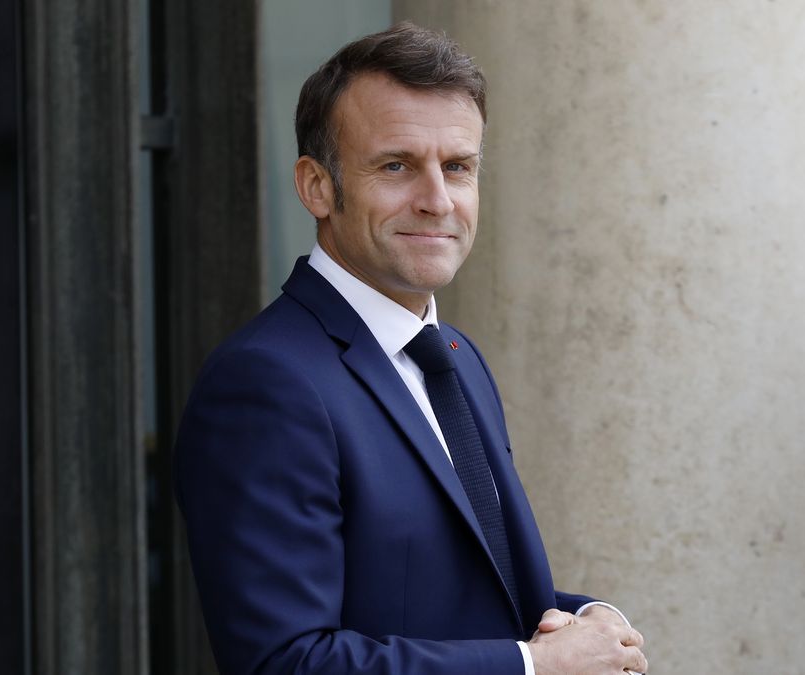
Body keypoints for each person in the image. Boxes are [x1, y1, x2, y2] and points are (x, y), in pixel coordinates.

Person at [175, 22, 649, 675]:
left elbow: (475, 599)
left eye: (457, 167)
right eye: (396, 165)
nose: (436, 200)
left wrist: (600, 621)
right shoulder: (265, 382)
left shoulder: (455, 353)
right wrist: (532, 667)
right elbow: (284, 661)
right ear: (317, 186)